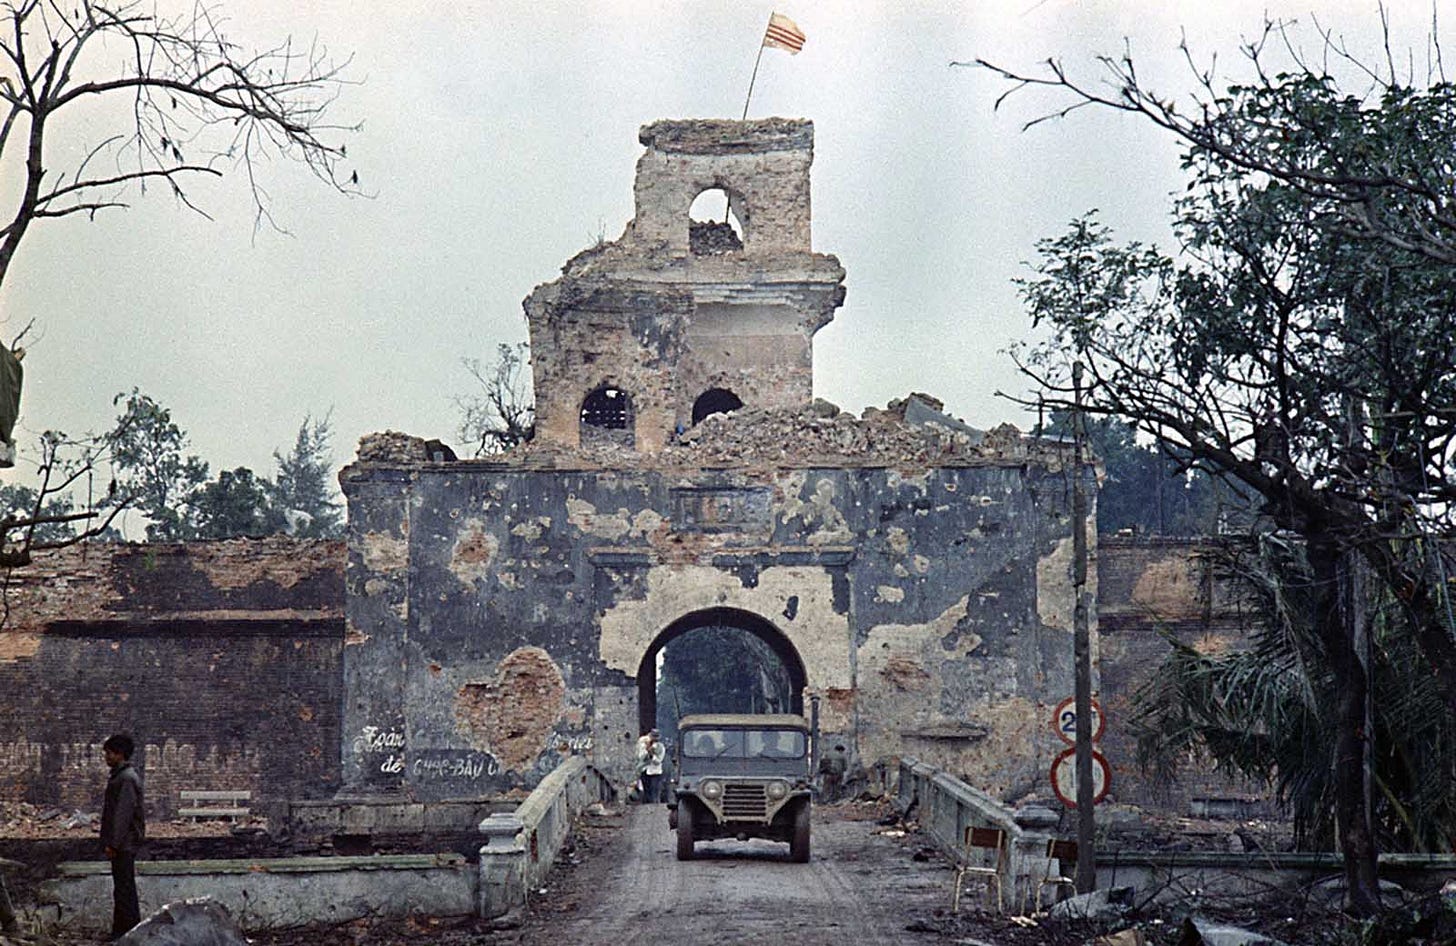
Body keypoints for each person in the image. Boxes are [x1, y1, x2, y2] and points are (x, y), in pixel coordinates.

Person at [100, 733, 144, 940]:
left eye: (109, 753)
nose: (106, 757)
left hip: (124, 844)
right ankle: (122, 933)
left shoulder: (125, 779)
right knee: (122, 889)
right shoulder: (123, 777)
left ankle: (127, 933)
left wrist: (113, 844)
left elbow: (122, 815)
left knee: (124, 890)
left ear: (120, 754)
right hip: (124, 843)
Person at [635, 729, 666, 804]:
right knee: (646, 791)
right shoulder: (643, 744)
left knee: (654, 791)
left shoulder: (661, 747)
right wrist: (647, 751)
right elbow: (640, 757)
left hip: (655, 772)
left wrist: (652, 755)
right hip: (644, 770)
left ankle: (655, 806)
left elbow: (658, 761)